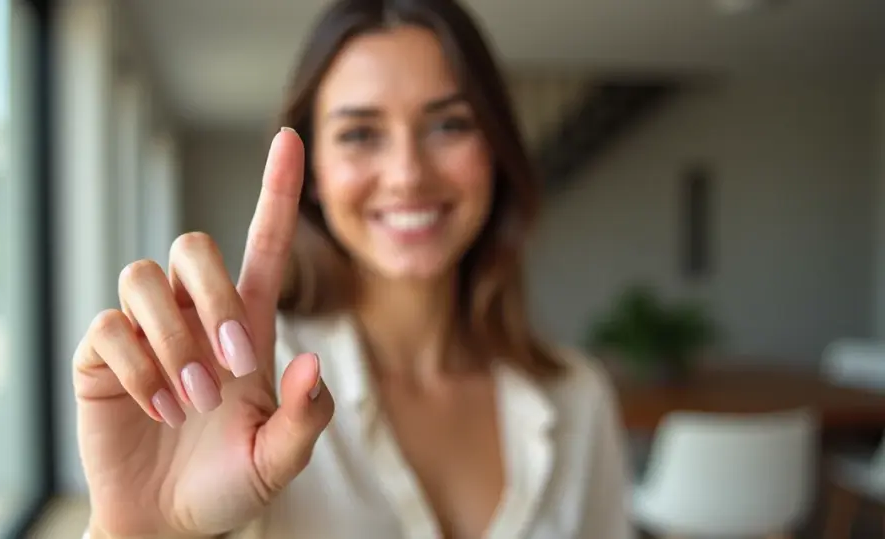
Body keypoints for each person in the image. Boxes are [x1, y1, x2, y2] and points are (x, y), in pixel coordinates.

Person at [74, 0, 634, 537]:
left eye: (449, 125)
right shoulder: (238, 384)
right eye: (360, 134)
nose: (408, 174)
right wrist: (141, 532)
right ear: (314, 172)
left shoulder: (577, 399)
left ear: (495, 150)